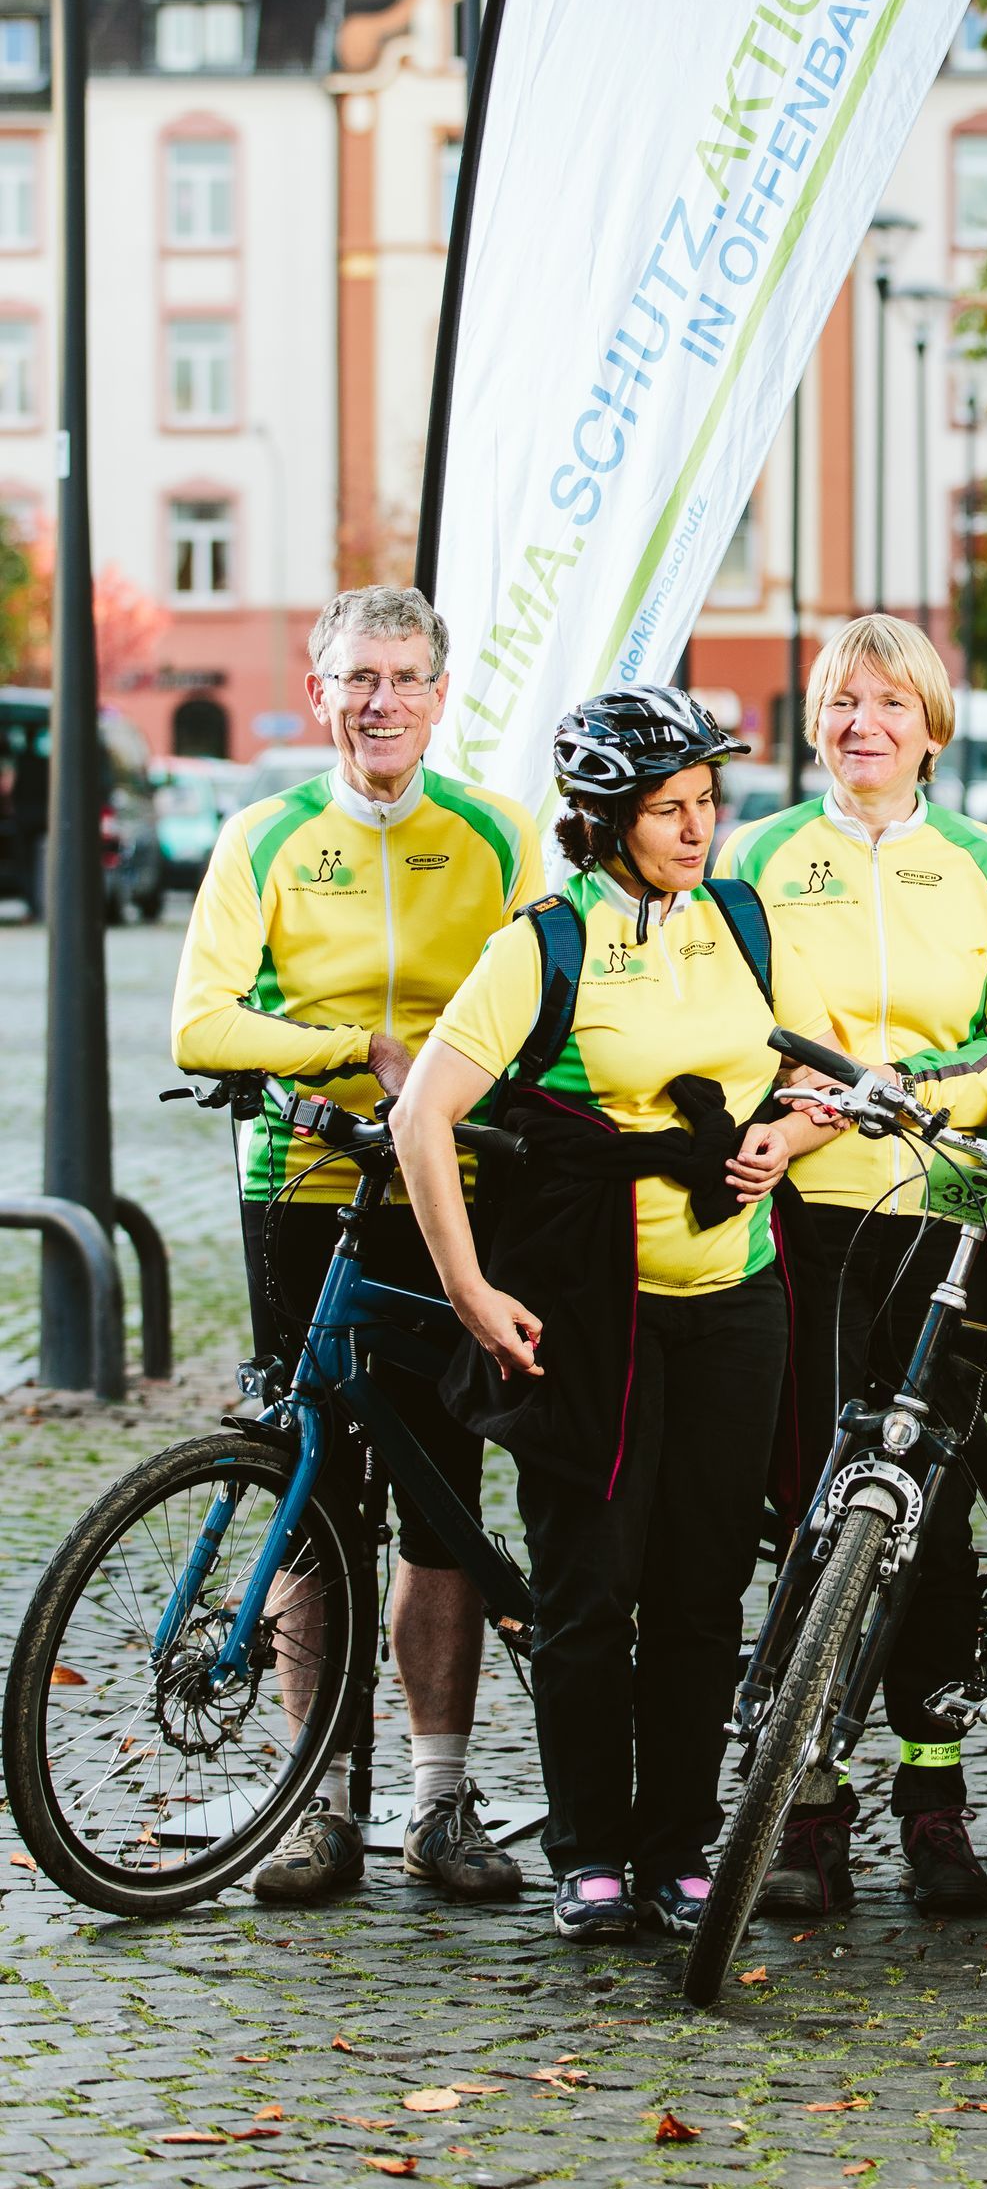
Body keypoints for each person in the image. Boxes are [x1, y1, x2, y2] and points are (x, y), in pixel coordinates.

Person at [388, 689, 842, 1943]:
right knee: (590, 1591)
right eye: (667, 810)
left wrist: (785, 1138)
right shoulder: (545, 943)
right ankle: (588, 1851)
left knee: (703, 1591)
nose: (698, 830)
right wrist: (471, 1292)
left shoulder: (741, 919)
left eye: (707, 803)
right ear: (602, 820)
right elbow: (422, 1116)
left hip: (738, 1300)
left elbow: (824, 1078)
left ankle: (678, 1847)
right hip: (595, 1310)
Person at [172, 585, 543, 1907]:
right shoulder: (264, 836)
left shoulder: (496, 836)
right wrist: (354, 1053)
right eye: (357, 678)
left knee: (442, 1496)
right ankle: (314, 1804)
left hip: (452, 1191)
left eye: (403, 678)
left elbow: (550, 1006)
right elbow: (202, 1021)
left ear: (441, 697)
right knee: (312, 1497)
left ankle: (440, 1803)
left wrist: (446, 1088)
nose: (380, 701)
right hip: (302, 1185)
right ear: (317, 692)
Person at [716, 614, 987, 1916]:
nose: (866, 725)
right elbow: (733, 1023)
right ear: (816, 724)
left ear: (931, 726)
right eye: (844, 703)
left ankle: (934, 1790)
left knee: (937, 1512)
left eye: (891, 704)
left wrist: (897, 1089)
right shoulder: (757, 854)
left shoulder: (986, 860)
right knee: (814, 1496)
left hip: (944, 1208)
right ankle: (806, 1798)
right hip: (806, 1214)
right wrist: (808, 1114)